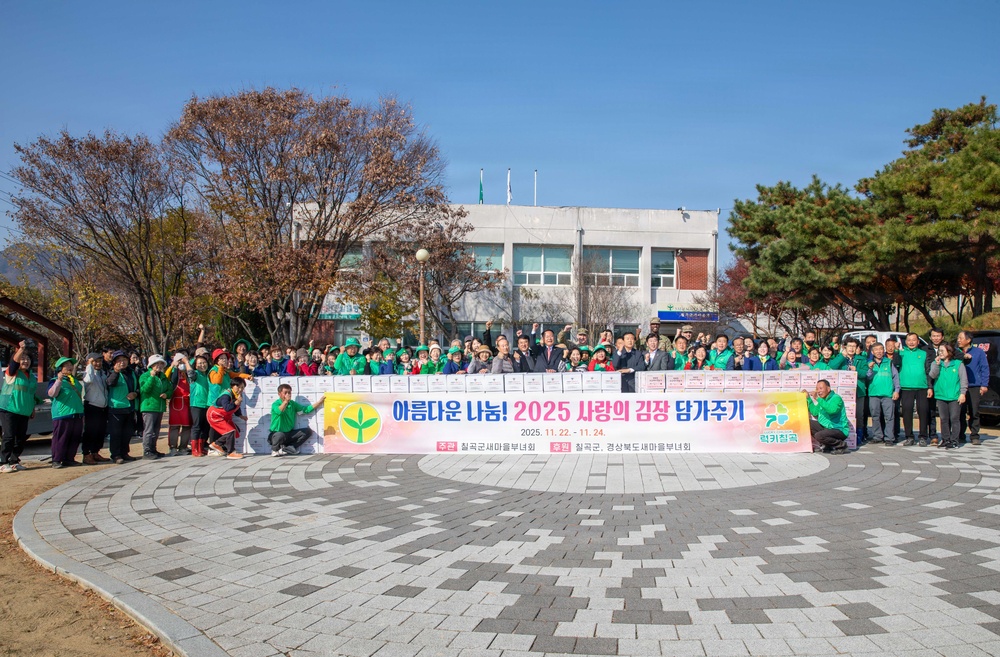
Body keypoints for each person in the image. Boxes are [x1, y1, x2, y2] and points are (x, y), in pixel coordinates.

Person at [0, 342, 38, 472]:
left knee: (21, 437)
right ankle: (3, 462)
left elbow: (31, 394)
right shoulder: (12, 372)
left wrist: (32, 408)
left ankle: (14, 460)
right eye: (23, 359)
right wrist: (21, 349)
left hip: (24, 410)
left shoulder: (31, 377)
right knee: (9, 436)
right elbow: (14, 362)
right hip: (9, 408)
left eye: (27, 359)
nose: (25, 361)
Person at [929, 343, 967, 450]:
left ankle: (954, 440)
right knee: (943, 419)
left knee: (954, 418)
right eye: (939, 351)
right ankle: (945, 439)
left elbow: (964, 380)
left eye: (942, 351)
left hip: (954, 396)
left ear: (949, 352)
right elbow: (933, 375)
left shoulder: (958, 364)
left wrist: (963, 393)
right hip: (941, 396)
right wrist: (937, 364)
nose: (940, 353)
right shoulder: (936, 363)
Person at [138, 354, 177, 460]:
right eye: (157, 364)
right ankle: (147, 451)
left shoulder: (163, 377)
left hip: (160, 407)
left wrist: (166, 395)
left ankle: (153, 449)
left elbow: (170, 389)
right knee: (149, 430)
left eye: (161, 363)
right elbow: (144, 390)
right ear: (151, 365)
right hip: (149, 407)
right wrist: (152, 377)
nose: (159, 366)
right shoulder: (145, 376)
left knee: (156, 430)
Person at [48, 357, 85, 468]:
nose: (70, 367)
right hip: (62, 414)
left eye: (70, 365)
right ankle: (57, 460)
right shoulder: (54, 380)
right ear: (60, 368)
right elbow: (51, 394)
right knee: (60, 438)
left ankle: (69, 458)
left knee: (74, 437)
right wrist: (58, 381)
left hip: (77, 413)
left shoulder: (74, 380)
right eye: (66, 365)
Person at [269, 384, 324, 456]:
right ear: (279, 394)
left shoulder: (292, 404)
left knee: (307, 431)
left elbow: (305, 410)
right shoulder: (275, 404)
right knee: (280, 434)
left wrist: (319, 402)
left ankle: (289, 448)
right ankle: (275, 450)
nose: (288, 394)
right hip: (276, 433)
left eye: (289, 392)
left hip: (289, 433)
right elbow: (279, 412)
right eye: (285, 392)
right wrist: (285, 401)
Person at [898, 333, 932, 447]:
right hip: (906, 387)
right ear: (905, 342)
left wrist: (929, 387)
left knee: (923, 411)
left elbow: (928, 371)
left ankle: (923, 436)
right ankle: (909, 436)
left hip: (922, 387)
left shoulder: (923, 354)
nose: (911, 342)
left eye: (914, 340)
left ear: (918, 342)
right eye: (909, 340)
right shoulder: (901, 353)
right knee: (907, 412)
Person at [106, 350, 139, 463]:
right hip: (116, 407)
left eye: (124, 360)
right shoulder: (111, 372)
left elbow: (139, 386)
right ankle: (116, 454)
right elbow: (109, 383)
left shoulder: (132, 372)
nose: (122, 362)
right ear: (114, 362)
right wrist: (115, 371)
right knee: (116, 433)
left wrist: (135, 393)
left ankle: (124, 452)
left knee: (128, 432)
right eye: (119, 360)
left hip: (129, 407)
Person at [957, 330, 988, 446]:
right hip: (959, 386)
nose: (958, 340)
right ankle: (960, 434)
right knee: (960, 411)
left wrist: (984, 384)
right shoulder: (955, 352)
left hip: (974, 386)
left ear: (968, 340)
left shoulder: (979, 352)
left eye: (961, 338)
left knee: (974, 411)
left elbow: (984, 368)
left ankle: (975, 435)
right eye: (958, 338)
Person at [866, 342, 900, 445]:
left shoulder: (889, 362)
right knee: (875, 416)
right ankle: (877, 436)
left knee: (889, 417)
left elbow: (896, 377)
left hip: (887, 394)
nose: (879, 352)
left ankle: (889, 437)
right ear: (872, 352)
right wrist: (870, 369)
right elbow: (867, 377)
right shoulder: (869, 364)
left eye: (881, 349)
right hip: (874, 394)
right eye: (876, 350)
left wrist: (896, 390)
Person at [805, 379, 850, 454]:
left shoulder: (836, 398)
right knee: (807, 423)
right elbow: (815, 412)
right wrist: (809, 399)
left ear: (828, 389)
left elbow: (832, 410)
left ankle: (841, 445)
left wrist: (818, 399)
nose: (818, 391)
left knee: (819, 435)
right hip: (827, 428)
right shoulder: (822, 399)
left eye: (821, 388)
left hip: (838, 429)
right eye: (817, 389)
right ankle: (828, 446)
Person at [80, 352, 109, 465]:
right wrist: (89, 366)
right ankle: (86, 454)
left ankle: (95, 452)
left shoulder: (102, 373)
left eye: (99, 361)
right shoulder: (88, 373)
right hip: (92, 405)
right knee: (90, 431)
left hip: (103, 406)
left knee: (100, 431)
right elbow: (88, 380)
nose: (98, 363)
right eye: (95, 361)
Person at [207, 377, 247, 459]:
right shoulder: (226, 395)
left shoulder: (237, 394)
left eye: (242, 387)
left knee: (236, 431)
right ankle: (230, 452)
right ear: (232, 386)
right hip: (215, 415)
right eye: (238, 386)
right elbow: (227, 408)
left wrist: (240, 415)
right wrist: (236, 402)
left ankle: (217, 444)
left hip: (224, 416)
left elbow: (236, 407)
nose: (240, 389)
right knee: (230, 431)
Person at [165, 353, 193, 457]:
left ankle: (183, 447)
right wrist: (172, 366)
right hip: (176, 401)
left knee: (187, 426)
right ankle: (172, 447)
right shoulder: (173, 372)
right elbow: (165, 377)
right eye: (179, 361)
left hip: (187, 401)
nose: (181, 364)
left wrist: (187, 364)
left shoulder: (188, 371)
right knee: (174, 426)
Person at [187, 349, 212, 457]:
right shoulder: (195, 374)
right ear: (196, 365)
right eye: (200, 363)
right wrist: (186, 361)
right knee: (196, 426)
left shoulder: (208, 374)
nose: (202, 365)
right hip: (196, 404)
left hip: (207, 403)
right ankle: (194, 449)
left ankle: (201, 447)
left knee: (205, 427)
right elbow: (190, 373)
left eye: (204, 362)